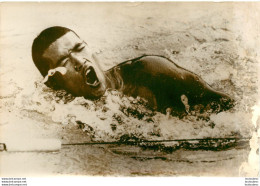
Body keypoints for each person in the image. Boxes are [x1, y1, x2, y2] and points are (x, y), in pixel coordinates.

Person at [32, 26, 234, 116]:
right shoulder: (64, 113)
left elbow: (228, 106)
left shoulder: (152, 72)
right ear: (54, 83)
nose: (79, 61)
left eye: (79, 49)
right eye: (64, 61)